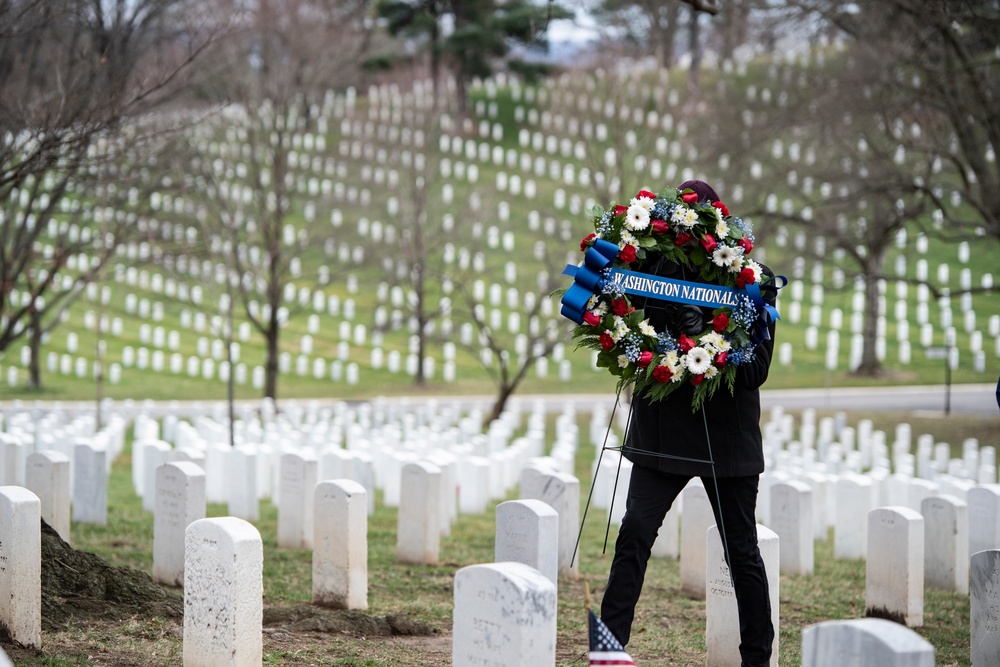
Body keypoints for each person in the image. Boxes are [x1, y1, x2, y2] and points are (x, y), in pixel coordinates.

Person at [599, 180, 777, 667]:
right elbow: (616, 320)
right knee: (634, 533)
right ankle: (607, 650)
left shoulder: (752, 280)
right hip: (663, 433)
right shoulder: (647, 270)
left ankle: (757, 659)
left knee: (741, 553)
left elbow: (758, 370)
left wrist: (709, 333)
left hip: (726, 440)